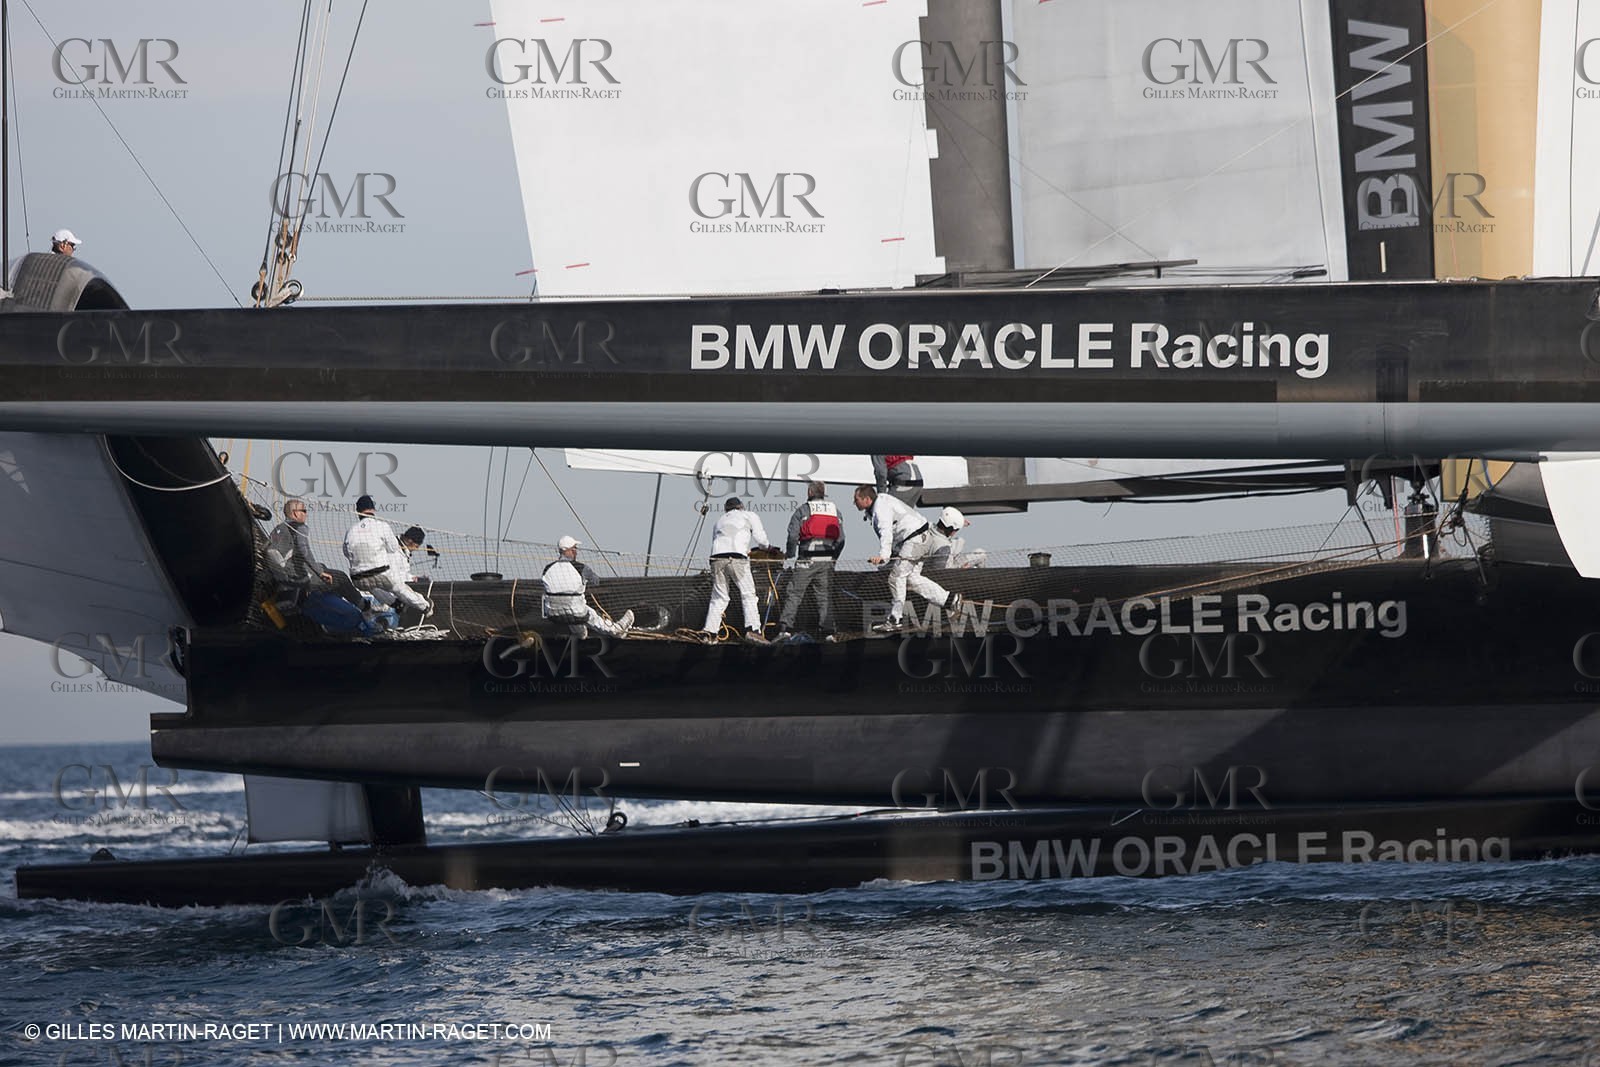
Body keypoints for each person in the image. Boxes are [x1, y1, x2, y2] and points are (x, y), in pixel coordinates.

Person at [266, 497, 390, 637]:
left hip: (287, 581)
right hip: (302, 580)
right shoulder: (299, 527)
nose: (306, 514)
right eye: (304, 510)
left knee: (328, 574)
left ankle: (337, 621)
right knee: (340, 578)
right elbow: (304, 551)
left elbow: (272, 555)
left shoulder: (277, 530)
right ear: (295, 513)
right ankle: (366, 609)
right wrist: (320, 573)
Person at [853, 485, 961, 633]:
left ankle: (895, 619)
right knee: (912, 578)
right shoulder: (881, 501)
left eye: (856, 500)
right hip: (920, 537)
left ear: (866, 499)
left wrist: (883, 557)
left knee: (896, 577)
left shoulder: (880, 508)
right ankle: (950, 600)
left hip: (914, 540)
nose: (854, 503)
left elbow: (886, 533)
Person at [775, 480, 844, 642]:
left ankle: (785, 629)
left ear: (810, 493)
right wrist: (834, 557)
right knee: (824, 596)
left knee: (795, 593)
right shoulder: (835, 511)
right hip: (827, 560)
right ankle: (828, 633)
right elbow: (841, 539)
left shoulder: (803, 510)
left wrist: (790, 553)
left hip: (807, 559)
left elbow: (793, 535)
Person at [343, 494, 430, 621]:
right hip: (379, 573)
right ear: (373, 510)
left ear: (357, 511)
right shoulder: (382, 526)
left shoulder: (350, 530)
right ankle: (426, 607)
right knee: (398, 588)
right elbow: (394, 548)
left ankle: (395, 604)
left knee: (372, 586)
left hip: (357, 577)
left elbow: (346, 552)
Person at [701, 497, 773, 643]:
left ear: (726, 509)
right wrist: (768, 548)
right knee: (748, 595)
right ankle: (753, 630)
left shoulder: (719, 521)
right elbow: (761, 540)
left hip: (716, 558)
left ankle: (709, 633)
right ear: (741, 507)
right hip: (737, 559)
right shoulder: (749, 515)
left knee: (719, 597)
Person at [542, 535, 633, 637]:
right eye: (575, 548)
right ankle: (616, 630)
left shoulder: (547, 568)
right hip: (577, 613)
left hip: (553, 614)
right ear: (571, 550)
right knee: (589, 614)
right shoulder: (581, 568)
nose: (576, 551)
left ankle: (580, 634)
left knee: (568, 608)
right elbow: (597, 581)